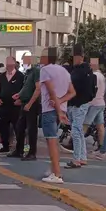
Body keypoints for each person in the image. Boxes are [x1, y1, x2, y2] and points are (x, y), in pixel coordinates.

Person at [39, 47, 75, 184]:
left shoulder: (45, 70)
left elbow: (51, 90)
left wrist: (57, 108)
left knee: (51, 141)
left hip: (49, 109)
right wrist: (61, 103)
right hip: (61, 108)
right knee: (53, 141)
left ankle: (57, 174)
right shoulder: (64, 71)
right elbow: (72, 92)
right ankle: (53, 169)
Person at [64, 44, 97, 168]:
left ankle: (76, 159)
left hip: (77, 104)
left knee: (76, 132)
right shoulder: (86, 70)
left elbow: (71, 84)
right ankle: (82, 157)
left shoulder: (79, 71)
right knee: (78, 131)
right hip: (80, 104)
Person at [11, 55, 41, 160]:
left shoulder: (36, 71)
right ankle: (19, 150)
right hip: (25, 102)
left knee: (31, 128)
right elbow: (26, 87)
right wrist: (19, 95)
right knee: (20, 127)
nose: (23, 62)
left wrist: (30, 103)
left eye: (25, 60)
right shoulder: (27, 73)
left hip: (31, 104)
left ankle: (32, 153)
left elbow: (38, 88)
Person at [0, 56, 24, 154]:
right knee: (3, 126)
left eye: (11, 64)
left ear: (14, 64)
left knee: (17, 127)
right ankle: (5, 146)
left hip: (15, 106)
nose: (9, 66)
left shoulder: (20, 76)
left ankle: (20, 148)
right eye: (7, 65)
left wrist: (21, 99)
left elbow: (24, 90)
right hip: (4, 105)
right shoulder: (2, 76)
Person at [84, 58, 106, 151]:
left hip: (94, 103)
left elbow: (92, 89)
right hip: (101, 103)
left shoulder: (95, 76)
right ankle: (101, 146)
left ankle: (75, 143)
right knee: (100, 126)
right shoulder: (101, 75)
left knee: (85, 124)